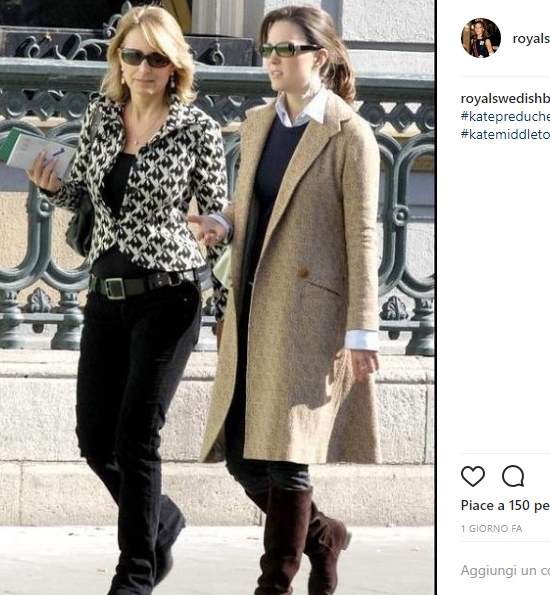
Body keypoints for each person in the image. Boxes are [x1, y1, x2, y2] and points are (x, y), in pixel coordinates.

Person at [26, 6, 227, 594]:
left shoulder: (196, 128)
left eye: (156, 58)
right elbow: (86, 197)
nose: (143, 68)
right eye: (133, 55)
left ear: (174, 66)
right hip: (105, 296)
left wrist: (213, 228)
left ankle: (135, 574)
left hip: (169, 297)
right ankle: (161, 519)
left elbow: (218, 212)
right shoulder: (100, 117)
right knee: (95, 440)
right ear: (118, 60)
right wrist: (53, 187)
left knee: (137, 437)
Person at [188, 5, 381, 594]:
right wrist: (223, 221)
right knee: (244, 458)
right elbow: (254, 204)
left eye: (286, 49)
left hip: (309, 316)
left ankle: (274, 584)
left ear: (318, 57)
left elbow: (363, 235)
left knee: (288, 456)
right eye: (267, 49)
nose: (272, 60)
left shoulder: (349, 133)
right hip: (252, 306)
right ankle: (325, 537)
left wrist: (362, 330)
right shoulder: (257, 122)